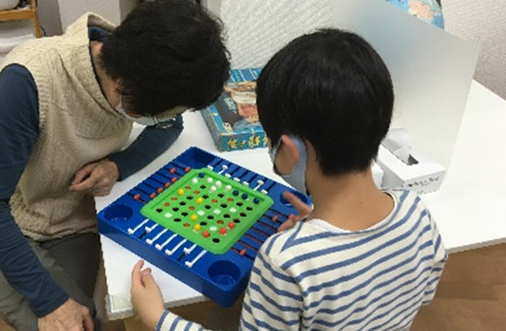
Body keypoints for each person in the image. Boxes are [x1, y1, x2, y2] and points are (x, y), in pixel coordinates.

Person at [130, 29, 447, 330]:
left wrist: (159, 319)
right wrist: (321, 225)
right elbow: (421, 293)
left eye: (271, 141)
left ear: (291, 150)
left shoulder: (286, 261)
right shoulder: (416, 212)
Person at [0, 0, 229, 331]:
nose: (167, 118)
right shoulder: (30, 79)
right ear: (126, 89)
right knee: (78, 322)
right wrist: (50, 302)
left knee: (101, 315)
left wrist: (117, 166)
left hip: (69, 218)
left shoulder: (132, 65)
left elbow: (170, 125)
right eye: (162, 111)